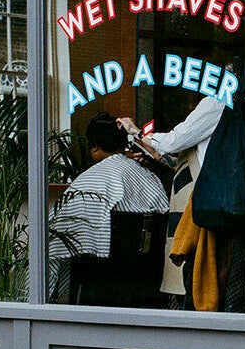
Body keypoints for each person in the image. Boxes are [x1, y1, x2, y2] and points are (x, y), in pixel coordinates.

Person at [48, 111, 171, 302]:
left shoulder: (90, 181)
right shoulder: (148, 177)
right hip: (146, 277)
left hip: (101, 278)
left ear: (95, 146)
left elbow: (57, 235)